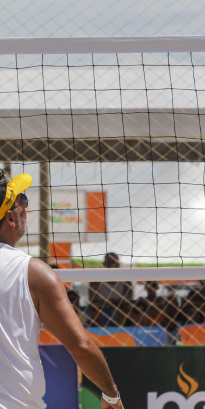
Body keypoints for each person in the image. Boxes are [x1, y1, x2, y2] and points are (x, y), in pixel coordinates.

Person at [0, 170, 124, 408]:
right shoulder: (34, 273)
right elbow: (82, 346)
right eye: (22, 201)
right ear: (11, 218)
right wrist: (111, 394)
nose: (26, 208)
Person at [88, 253, 133, 327]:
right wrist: (108, 302)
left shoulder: (126, 280)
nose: (112, 265)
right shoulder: (96, 280)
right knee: (95, 308)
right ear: (104, 264)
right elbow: (92, 299)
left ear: (118, 264)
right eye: (109, 262)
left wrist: (116, 302)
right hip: (102, 310)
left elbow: (129, 299)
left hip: (121, 309)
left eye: (114, 262)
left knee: (131, 308)